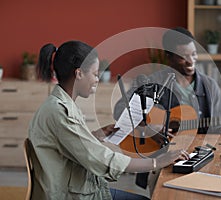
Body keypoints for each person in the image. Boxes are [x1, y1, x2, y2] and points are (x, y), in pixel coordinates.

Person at [28, 40, 189, 200]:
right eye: (95, 74)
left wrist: (95, 135)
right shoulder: (60, 112)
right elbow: (101, 159)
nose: (97, 79)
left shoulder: (61, 104)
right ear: (79, 73)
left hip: (77, 188)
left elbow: (70, 145)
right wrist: (157, 162)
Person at [113, 27, 221, 191]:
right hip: (162, 160)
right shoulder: (152, 82)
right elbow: (120, 110)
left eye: (194, 54)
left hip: (201, 158)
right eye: (183, 57)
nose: (191, 61)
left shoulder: (210, 86)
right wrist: (150, 128)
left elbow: (217, 130)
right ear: (169, 58)